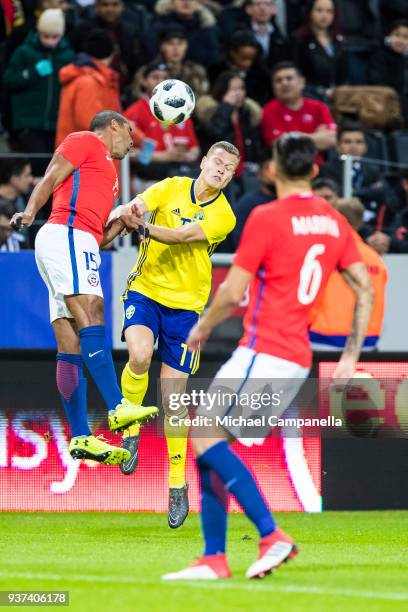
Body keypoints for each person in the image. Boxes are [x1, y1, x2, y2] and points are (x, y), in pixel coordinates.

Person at [162, 133, 373, 580]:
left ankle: (271, 535)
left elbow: (233, 292)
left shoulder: (267, 217)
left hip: (265, 351)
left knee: (202, 435)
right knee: (209, 446)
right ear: (315, 171)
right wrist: (351, 355)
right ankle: (214, 558)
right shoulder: (335, 222)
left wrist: (201, 327)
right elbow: (364, 287)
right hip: (295, 357)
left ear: (272, 170)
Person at [10, 110, 158, 465]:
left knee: (70, 339)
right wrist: (30, 212)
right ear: (114, 126)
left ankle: (81, 436)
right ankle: (117, 406)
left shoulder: (110, 179)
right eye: (130, 132)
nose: (132, 140)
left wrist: (120, 224)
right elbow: (50, 177)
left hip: (79, 242)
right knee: (92, 310)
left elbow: (97, 237)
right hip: (65, 235)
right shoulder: (85, 140)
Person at [109, 141, 238, 528]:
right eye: (216, 162)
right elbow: (138, 205)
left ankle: (177, 483)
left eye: (228, 168)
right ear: (203, 162)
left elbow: (181, 237)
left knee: (173, 401)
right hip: (146, 291)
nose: (220, 170)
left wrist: (142, 226)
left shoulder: (224, 215)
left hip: (187, 309)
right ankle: (130, 431)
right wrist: (127, 211)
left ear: (231, 177)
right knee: (139, 356)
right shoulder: (171, 186)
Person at [309, 197, 387, 351]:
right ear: (359, 222)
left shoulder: (320, 253)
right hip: (364, 342)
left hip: (322, 340)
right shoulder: (375, 259)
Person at [3, 9, 75, 169]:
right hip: (29, 122)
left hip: (56, 123)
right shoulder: (24, 52)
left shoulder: (68, 56)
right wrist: (31, 73)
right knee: (38, 165)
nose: (50, 41)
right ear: (38, 32)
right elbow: (9, 80)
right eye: (45, 36)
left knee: (53, 168)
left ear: (61, 35)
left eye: (54, 37)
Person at [319, 121, 398, 237]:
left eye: (359, 142)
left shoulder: (373, 170)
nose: (353, 146)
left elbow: (385, 195)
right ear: (338, 146)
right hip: (338, 225)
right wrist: (368, 192)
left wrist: (354, 193)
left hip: (370, 225)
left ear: (365, 147)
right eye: (347, 142)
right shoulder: (327, 169)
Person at [125, 62, 200, 182]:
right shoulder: (134, 112)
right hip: (149, 177)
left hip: (180, 171)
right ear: (144, 81)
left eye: (165, 78)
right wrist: (162, 157)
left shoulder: (181, 109)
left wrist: (186, 156)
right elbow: (126, 153)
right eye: (155, 77)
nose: (161, 81)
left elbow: (194, 148)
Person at [195, 70, 264, 197]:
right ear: (222, 91)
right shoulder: (210, 113)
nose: (238, 93)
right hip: (219, 175)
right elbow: (216, 132)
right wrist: (226, 107)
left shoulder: (247, 114)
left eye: (241, 88)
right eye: (233, 89)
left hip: (245, 175)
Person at [261, 61, 337, 165]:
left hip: (319, 169)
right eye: (278, 80)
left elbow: (332, 139)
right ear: (273, 87)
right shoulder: (269, 110)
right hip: (286, 169)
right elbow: (280, 145)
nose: (284, 83)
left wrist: (293, 136)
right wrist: (316, 136)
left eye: (289, 78)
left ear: (302, 82)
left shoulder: (319, 107)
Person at [56, 29, 122, 146]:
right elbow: (90, 124)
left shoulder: (99, 79)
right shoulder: (88, 82)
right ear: (112, 53)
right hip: (84, 157)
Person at [293, 0, 347, 102]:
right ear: (310, 12)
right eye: (319, 10)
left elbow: (344, 75)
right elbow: (297, 75)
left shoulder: (338, 40)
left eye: (329, 11)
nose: (324, 15)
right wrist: (321, 91)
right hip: (310, 97)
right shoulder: (299, 40)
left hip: (338, 98)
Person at [153, 0, 221, 68]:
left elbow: (214, 58)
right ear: (172, 2)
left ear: (197, 2)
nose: (186, 2)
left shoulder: (207, 26)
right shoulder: (159, 25)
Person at [231, 158, 276, 249]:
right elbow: (238, 239)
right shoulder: (246, 204)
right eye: (268, 169)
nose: (273, 174)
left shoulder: (289, 201)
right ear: (259, 173)